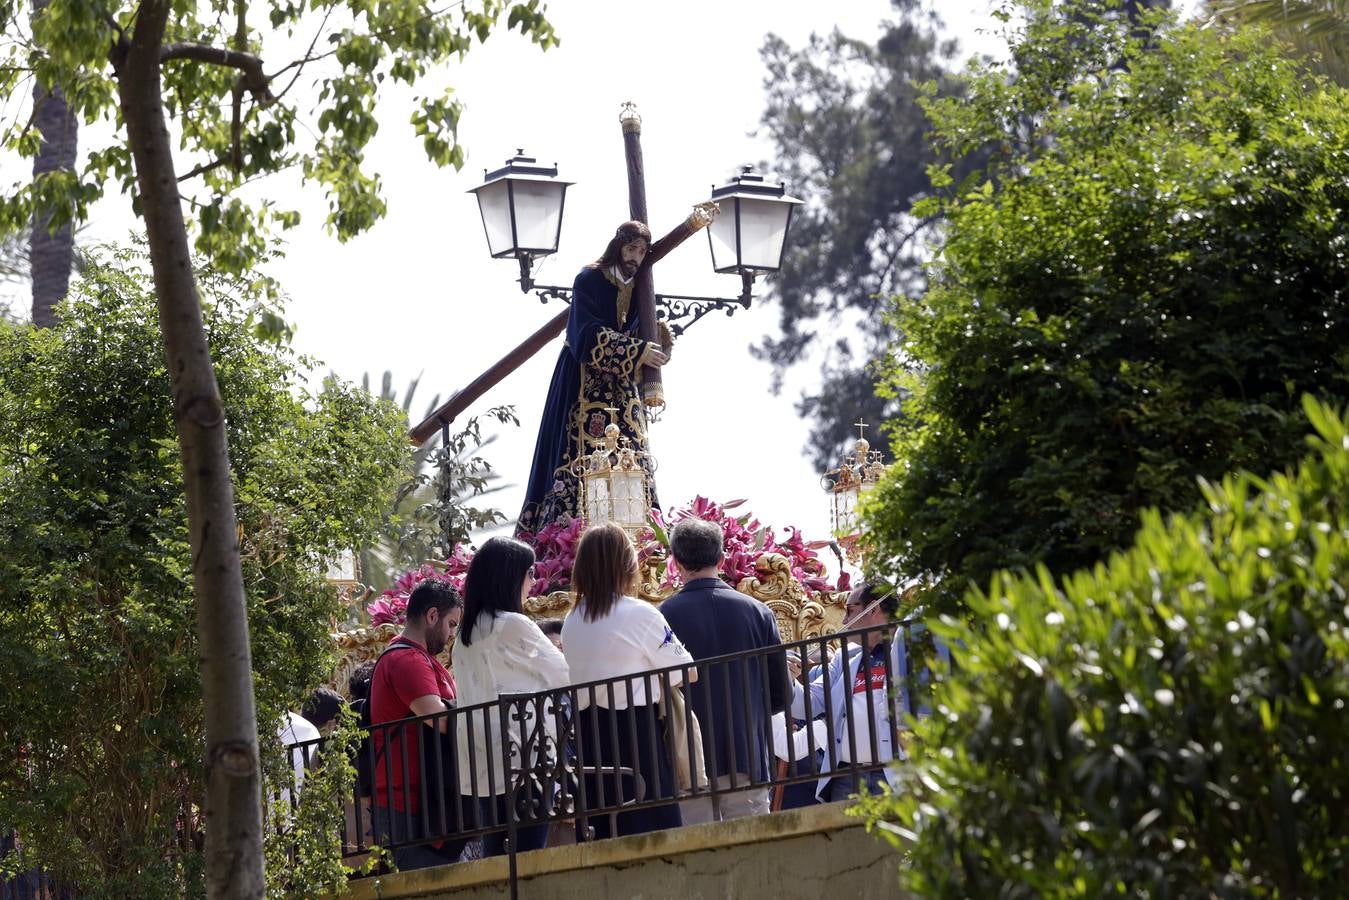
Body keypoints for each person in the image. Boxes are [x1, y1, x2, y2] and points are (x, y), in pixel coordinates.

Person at [518, 221, 672, 532]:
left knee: (631, 453)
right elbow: (584, 334)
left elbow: (642, 335)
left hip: (623, 387)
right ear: (618, 247)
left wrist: (655, 346)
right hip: (582, 380)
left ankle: (640, 532)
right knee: (581, 453)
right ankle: (567, 532)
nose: (636, 257)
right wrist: (635, 350)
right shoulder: (589, 278)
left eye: (642, 252)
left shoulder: (642, 286)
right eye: (631, 249)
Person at [561, 522, 696, 840]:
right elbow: (687, 671)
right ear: (626, 564)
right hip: (636, 736)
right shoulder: (641, 614)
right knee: (653, 833)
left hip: (589, 737)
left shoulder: (572, 621)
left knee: (602, 832)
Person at [658, 517, 790, 823]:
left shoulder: (663, 617)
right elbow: (781, 693)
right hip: (746, 752)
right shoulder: (758, 611)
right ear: (721, 558)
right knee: (752, 850)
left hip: (687, 757)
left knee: (696, 856)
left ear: (676, 563)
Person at [453, 537, 570, 857]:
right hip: (526, 755)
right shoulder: (513, 625)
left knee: (497, 857)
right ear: (509, 575)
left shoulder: (463, 638)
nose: (533, 581)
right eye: (530, 572)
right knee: (531, 855)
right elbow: (563, 675)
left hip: (483, 761)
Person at [368, 578, 468, 870]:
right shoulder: (407, 659)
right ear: (432, 615)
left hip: (423, 800)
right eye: (451, 624)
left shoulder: (417, 658)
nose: (451, 634)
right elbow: (439, 719)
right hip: (407, 804)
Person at [790, 583, 919, 803]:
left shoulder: (907, 649)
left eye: (850, 610)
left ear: (874, 609)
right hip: (846, 779)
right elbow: (807, 704)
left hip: (895, 776)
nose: (844, 621)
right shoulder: (844, 657)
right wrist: (788, 678)